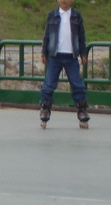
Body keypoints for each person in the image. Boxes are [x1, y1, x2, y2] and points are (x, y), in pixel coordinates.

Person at [39, 0, 90, 128]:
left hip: (71, 56)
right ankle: (45, 108)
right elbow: (47, 36)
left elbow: (81, 36)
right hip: (54, 56)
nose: (64, 1)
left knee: (77, 83)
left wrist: (83, 53)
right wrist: (44, 52)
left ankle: (82, 110)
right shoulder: (52, 15)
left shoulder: (76, 16)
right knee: (49, 84)